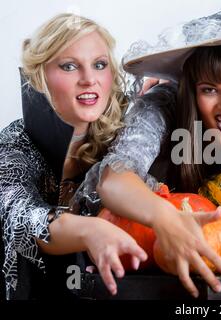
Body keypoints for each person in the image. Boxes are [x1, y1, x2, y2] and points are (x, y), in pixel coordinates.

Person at [75, 10, 221, 298]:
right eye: (209, 90)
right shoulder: (159, 108)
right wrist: (164, 217)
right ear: (190, 91)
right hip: (131, 252)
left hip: (215, 260)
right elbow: (113, 179)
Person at [0, 13, 149, 300]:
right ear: (40, 77)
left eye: (99, 65)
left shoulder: (122, 144)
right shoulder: (13, 146)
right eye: (69, 66)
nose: (89, 79)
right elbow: (22, 218)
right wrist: (90, 230)